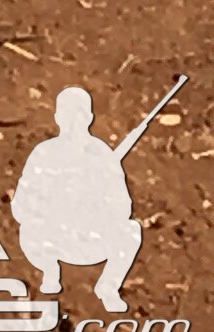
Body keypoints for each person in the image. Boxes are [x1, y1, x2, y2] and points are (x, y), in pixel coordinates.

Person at [14, 87, 147, 312]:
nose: (74, 122)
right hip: (52, 240)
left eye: (80, 114)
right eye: (68, 114)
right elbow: (22, 204)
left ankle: (108, 287)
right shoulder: (44, 154)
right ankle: (49, 270)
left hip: (91, 239)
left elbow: (122, 206)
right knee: (29, 229)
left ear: (89, 118)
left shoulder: (102, 155)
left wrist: (95, 204)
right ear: (58, 117)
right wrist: (53, 206)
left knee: (131, 231)